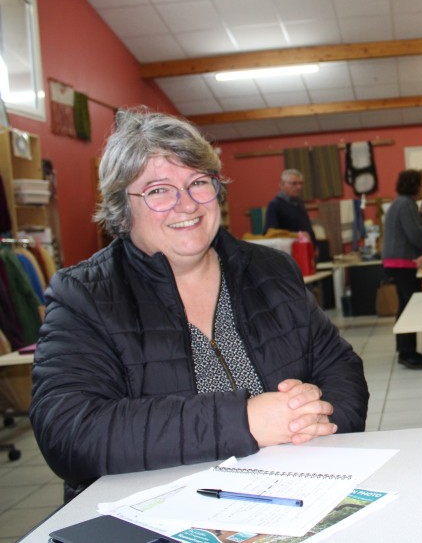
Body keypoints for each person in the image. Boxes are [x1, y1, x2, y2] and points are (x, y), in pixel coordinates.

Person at [29, 109, 368, 502]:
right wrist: (244, 421)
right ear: (123, 206)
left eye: (198, 183)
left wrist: (318, 419)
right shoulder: (83, 295)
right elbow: (68, 431)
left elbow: (341, 367)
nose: (186, 204)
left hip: (291, 495)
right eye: (158, 190)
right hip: (158, 514)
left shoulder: (271, 270)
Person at [382, 169, 422, 370]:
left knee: (406, 305)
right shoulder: (406, 204)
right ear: (414, 186)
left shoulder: (401, 202)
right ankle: (406, 352)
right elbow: (415, 234)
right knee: (410, 307)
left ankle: (407, 349)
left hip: (397, 262)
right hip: (401, 262)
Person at [264, 169, 316, 242]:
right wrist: (297, 235)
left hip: (306, 245)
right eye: (294, 183)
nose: (299, 187)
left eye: (300, 183)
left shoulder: (300, 202)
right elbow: (271, 233)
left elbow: (307, 227)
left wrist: (315, 244)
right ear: (282, 184)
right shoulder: (275, 205)